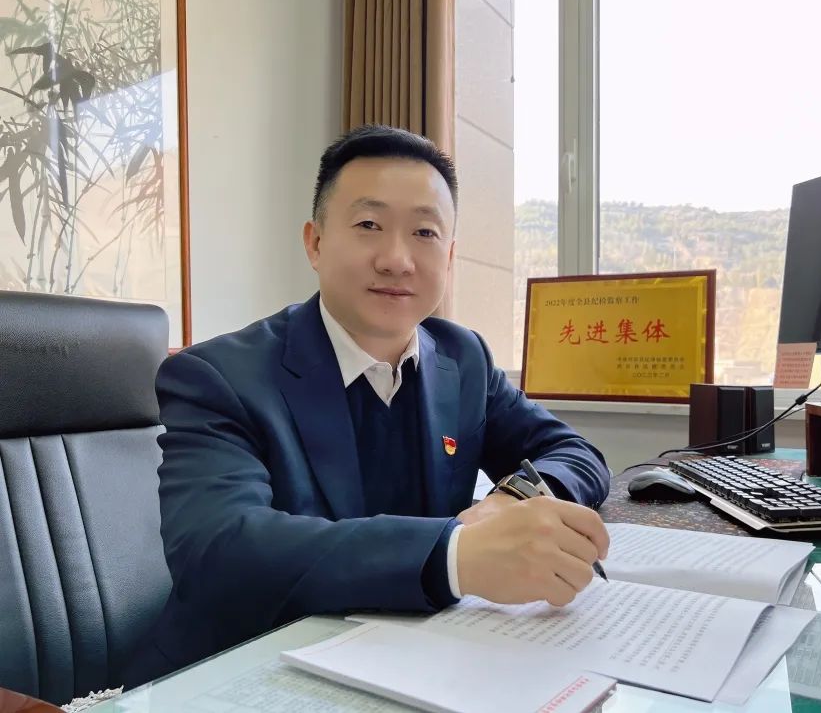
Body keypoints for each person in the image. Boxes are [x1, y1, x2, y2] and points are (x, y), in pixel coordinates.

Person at [124, 125, 611, 686]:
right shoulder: (218, 376)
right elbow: (218, 551)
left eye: (424, 232)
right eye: (368, 225)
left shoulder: (463, 358)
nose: (397, 259)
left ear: (449, 255)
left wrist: (514, 499)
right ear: (315, 243)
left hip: (411, 661)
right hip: (245, 670)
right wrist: (453, 556)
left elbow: (573, 453)